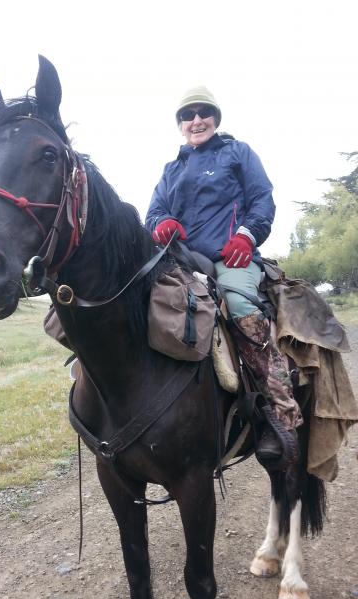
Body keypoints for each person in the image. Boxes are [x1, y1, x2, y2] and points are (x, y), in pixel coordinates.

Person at [145, 85, 302, 461]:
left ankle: (281, 411)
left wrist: (246, 236)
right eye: (188, 115)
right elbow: (152, 212)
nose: (196, 120)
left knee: (239, 303)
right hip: (182, 259)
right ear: (180, 124)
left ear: (215, 118)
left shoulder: (238, 152)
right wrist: (162, 223)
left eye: (204, 113)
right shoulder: (172, 168)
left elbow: (262, 199)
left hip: (231, 258)